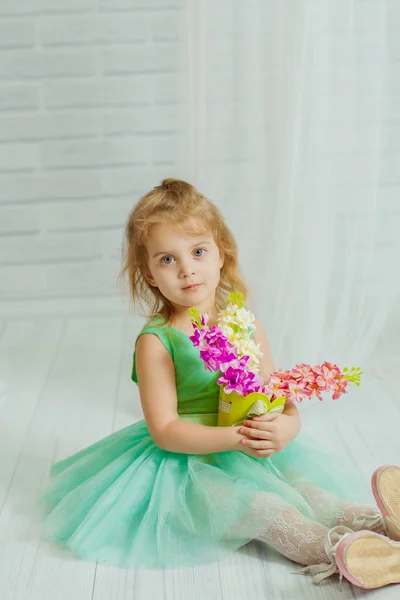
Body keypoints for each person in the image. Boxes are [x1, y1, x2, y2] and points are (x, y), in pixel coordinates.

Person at [38, 178, 400, 590]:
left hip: (253, 444)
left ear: (221, 255)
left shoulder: (244, 323)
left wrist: (288, 426)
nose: (187, 268)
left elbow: (273, 393)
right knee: (270, 510)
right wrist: (235, 439)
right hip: (190, 464)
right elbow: (166, 430)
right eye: (167, 259)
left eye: (197, 252)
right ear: (150, 274)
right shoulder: (157, 340)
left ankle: (381, 525)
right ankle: (348, 556)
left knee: (314, 493)